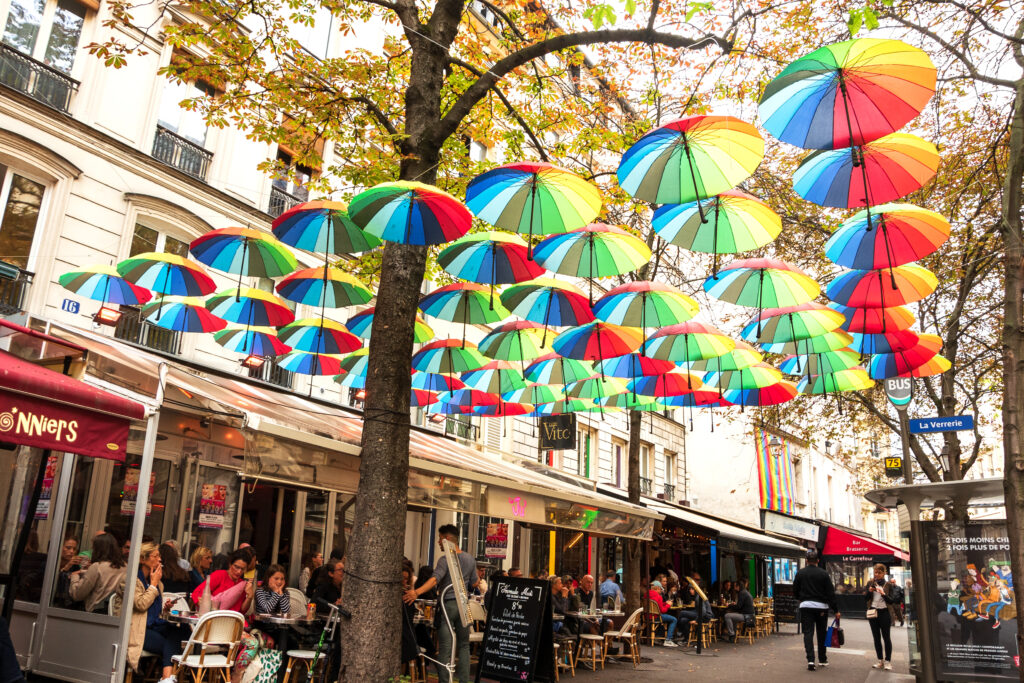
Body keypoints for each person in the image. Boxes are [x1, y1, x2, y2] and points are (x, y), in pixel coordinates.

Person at [403, 524, 478, 683]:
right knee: (464, 646)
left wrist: (416, 592)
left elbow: (435, 579)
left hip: (448, 604)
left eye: (439, 538)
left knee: (445, 645)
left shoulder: (445, 559)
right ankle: (464, 680)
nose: (438, 542)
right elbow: (475, 582)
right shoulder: (470, 559)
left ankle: (445, 680)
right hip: (464, 605)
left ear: (447, 539)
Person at [117, 541, 190, 683]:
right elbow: (141, 604)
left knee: (184, 630)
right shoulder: (129, 580)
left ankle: (166, 678)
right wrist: (153, 585)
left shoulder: (157, 582)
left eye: (159, 556)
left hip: (152, 625)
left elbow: (152, 611)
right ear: (142, 559)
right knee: (171, 644)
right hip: (136, 630)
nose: (160, 560)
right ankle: (167, 677)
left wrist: (165, 608)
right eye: (155, 556)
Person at [793, 550, 839, 671]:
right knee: (821, 633)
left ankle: (811, 660)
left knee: (808, 633)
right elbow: (830, 593)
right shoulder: (823, 574)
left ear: (806, 561)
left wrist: (801, 598)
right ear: (818, 561)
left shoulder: (800, 573)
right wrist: (836, 609)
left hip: (806, 606)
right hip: (821, 607)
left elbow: (795, 590)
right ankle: (822, 659)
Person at [69, 533, 126, 613]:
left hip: (96, 613)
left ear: (98, 549)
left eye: (94, 547)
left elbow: (78, 594)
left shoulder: (97, 567)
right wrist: (84, 571)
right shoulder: (125, 567)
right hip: (115, 613)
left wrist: (74, 576)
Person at [190, 549, 254, 614]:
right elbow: (196, 593)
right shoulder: (219, 575)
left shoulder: (241, 584)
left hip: (232, 619)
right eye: (236, 567)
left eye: (242, 569)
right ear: (230, 564)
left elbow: (242, 610)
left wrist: (250, 597)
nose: (239, 572)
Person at [866, 564, 894, 671]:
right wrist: (869, 592)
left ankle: (888, 661)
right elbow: (865, 599)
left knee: (886, 637)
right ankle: (880, 660)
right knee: (876, 637)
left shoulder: (888, 585)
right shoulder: (870, 583)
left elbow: (892, 601)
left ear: (884, 573)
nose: (876, 575)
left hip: (884, 613)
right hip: (873, 612)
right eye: (875, 572)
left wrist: (883, 594)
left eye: (879, 572)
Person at [648, 580, 678, 646]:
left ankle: (658, 637)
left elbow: (656, 605)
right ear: (657, 588)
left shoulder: (646, 594)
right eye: (660, 589)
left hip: (647, 616)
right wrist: (668, 605)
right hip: (656, 617)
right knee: (674, 619)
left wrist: (665, 603)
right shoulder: (659, 597)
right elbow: (663, 610)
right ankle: (668, 640)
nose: (661, 590)